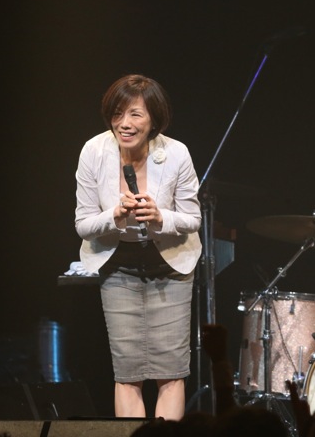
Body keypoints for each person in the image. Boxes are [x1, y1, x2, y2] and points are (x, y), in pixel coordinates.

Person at [75, 74, 202, 420]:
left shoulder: (176, 154)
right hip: (118, 267)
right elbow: (83, 224)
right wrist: (114, 216)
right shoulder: (94, 151)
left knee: (170, 372)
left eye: (135, 114)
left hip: (171, 265)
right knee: (127, 373)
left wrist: (160, 217)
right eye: (118, 114)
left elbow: (192, 218)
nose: (124, 124)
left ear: (154, 120)